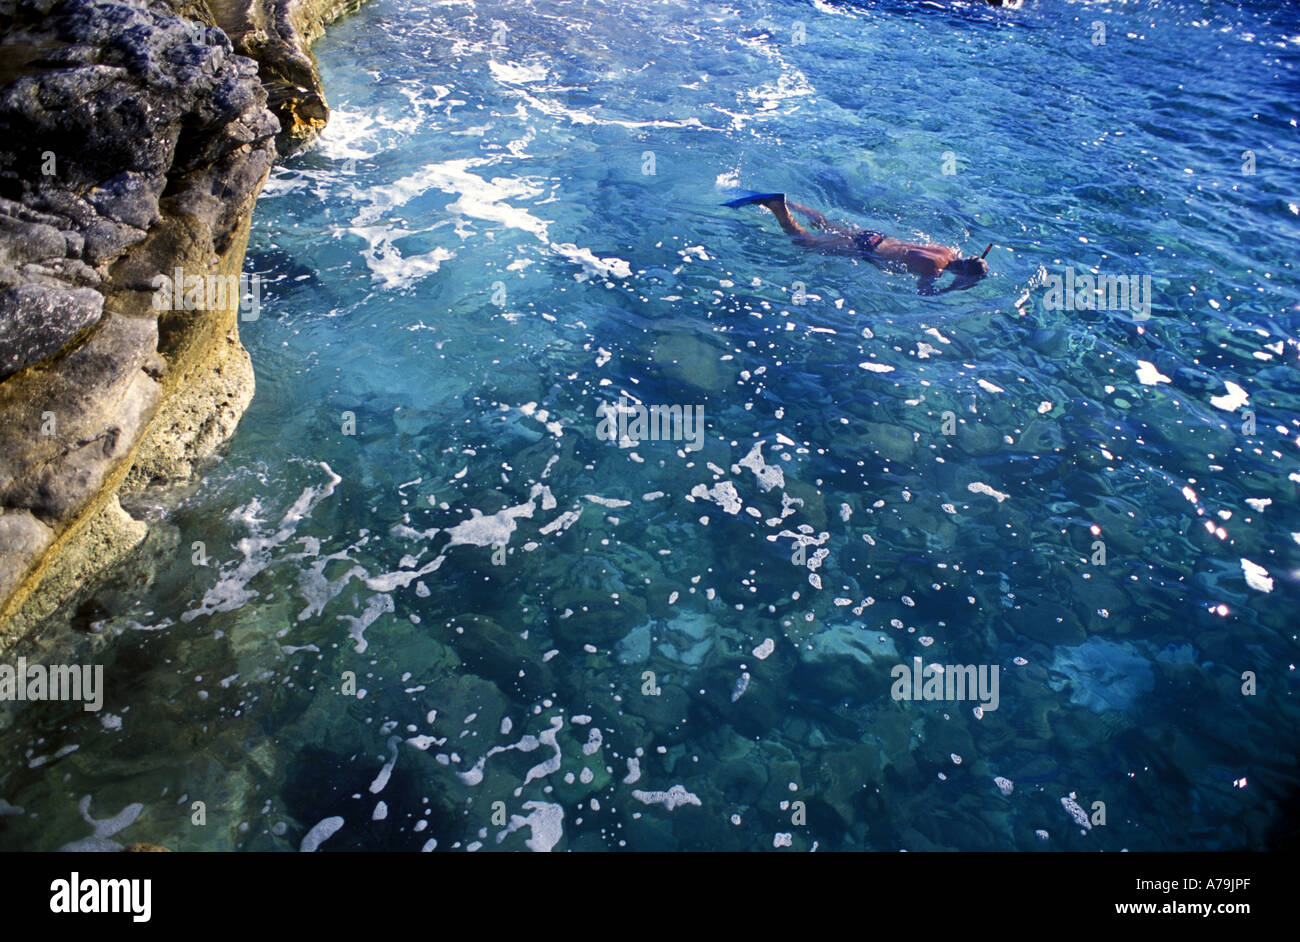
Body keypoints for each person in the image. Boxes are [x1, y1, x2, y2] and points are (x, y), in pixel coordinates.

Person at [723, 191, 990, 295]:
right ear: (963, 274)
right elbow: (925, 295)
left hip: (874, 237)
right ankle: (777, 207)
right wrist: (954, 288)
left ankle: (789, 201)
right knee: (804, 242)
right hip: (864, 249)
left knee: (823, 223)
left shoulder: (947, 250)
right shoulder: (934, 271)